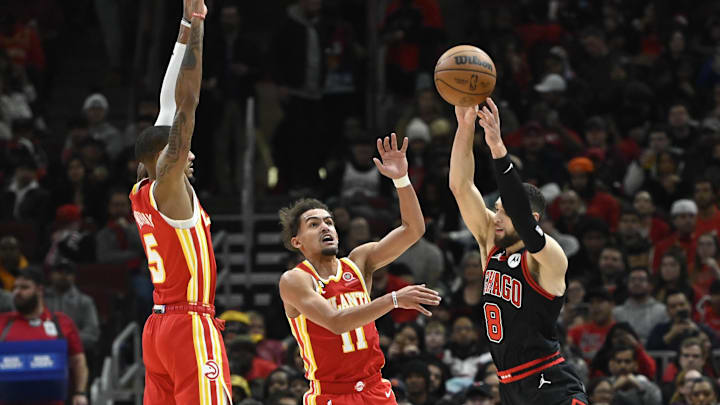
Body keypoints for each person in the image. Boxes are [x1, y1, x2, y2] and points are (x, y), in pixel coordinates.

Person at [278, 133, 442, 405]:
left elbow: (414, 229)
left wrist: (401, 179)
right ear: (297, 241)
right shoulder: (295, 280)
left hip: (376, 388)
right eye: (314, 224)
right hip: (332, 394)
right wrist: (394, 300)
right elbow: (336, 322)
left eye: (329, 222)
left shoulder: (358, 261)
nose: (326, 227)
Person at [449, 99, 588, 404]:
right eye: (496, 209)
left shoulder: (548, 256)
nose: (495, 217)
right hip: (510, 387)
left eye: (504, 212)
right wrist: (464, 127)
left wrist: (498, 147)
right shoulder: (490, 243)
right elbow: (461, 186)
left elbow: (523, 220)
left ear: (533, 219)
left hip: (550, 382)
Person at [129, 1, 230, 404]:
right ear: (165, 155)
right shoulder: (169, 181)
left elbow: (168, 105)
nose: (191, 155)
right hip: (189, 322)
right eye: (182, 149)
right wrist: (201, 27)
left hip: (157, 329)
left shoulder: (141, 189)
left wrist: (185, 23)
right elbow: (186, 101)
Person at [0, 267, 89, 405]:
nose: (17, 292)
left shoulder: (61, 322)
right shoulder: (3, 322)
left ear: (39, 290)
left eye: (24, 287)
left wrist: (80, 393)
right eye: (15, 287)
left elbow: (78, 361)